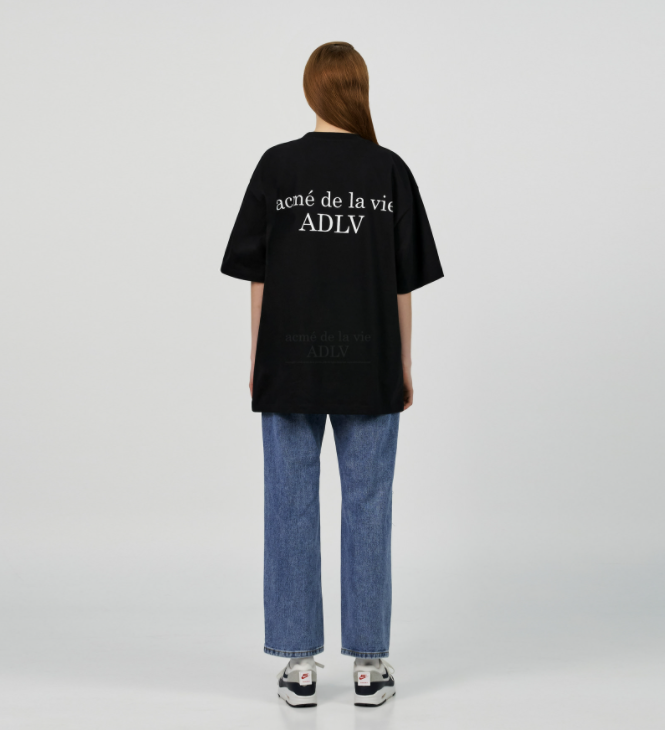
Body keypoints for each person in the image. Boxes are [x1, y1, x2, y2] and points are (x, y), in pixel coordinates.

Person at [221, 41, 443, 708]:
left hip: (288, 361)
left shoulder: (277, 166)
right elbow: (403, 286)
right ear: (358, 89)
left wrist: (256, 357)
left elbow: (258, 278)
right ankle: (369, 665)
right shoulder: (388, 170)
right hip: (369, 361)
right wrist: (403, 363)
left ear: (310, 89)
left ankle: (298, 667)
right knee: (368, 505)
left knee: (289, 504)